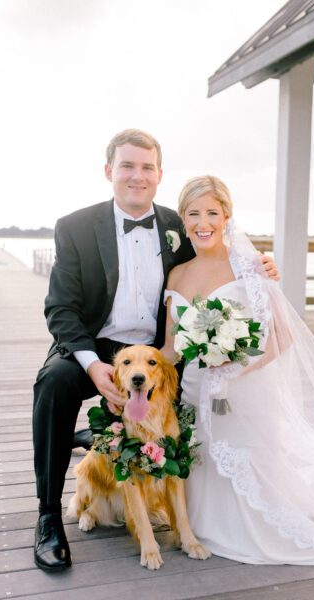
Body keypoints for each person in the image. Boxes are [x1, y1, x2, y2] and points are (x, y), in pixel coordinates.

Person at [33, 129, 279, 572]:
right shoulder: (74, 227)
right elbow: (60, 308)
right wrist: (92, 367)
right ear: (110, 171)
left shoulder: (175, 224)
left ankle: (136, 454)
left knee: (192, 401)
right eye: (127, 165)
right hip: (96, 341)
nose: (137, 176)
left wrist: (258, 265)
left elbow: (214, 254)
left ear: (159, 175)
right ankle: (50, 513)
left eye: (147, 167)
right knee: (54, 382)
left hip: (161, 348)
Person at [161, 174, 314, 566]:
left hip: (245, 393)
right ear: (183, 218)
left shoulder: (251, 266)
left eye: (212, 212)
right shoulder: (177, 275)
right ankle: (198, 524)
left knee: (252, 470)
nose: (203, 222)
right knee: (201, 458)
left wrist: (233, 368)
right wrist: (132, 377)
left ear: (226, 216)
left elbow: (283, 335)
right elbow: (170, 347)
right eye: (193, 213)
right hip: (196, 395)